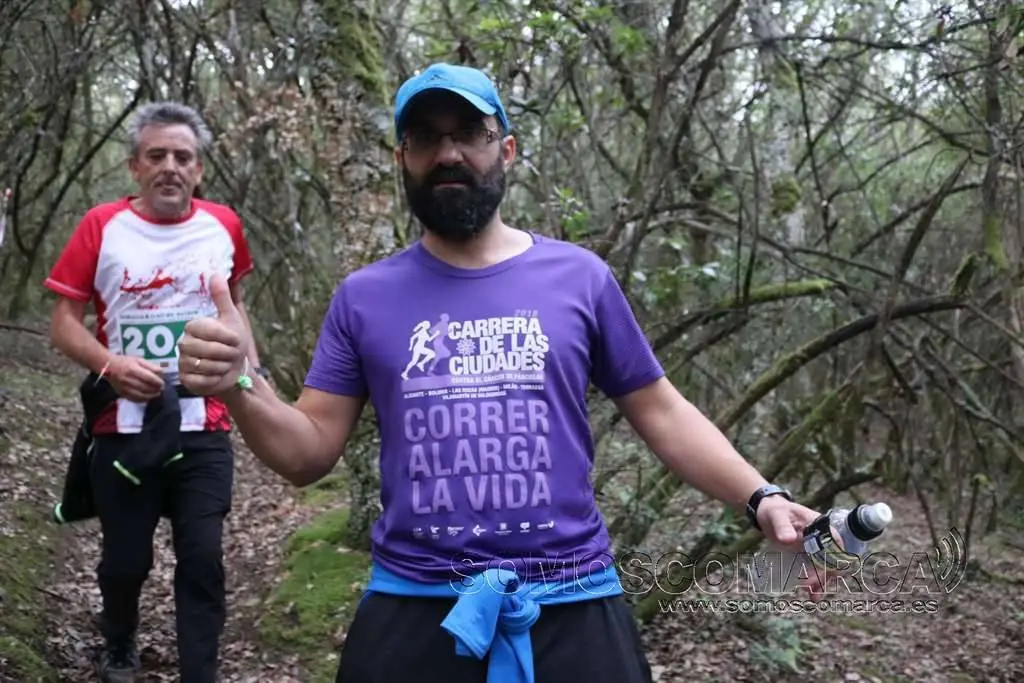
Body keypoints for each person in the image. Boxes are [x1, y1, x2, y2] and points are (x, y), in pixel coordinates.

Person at [176, 63, 822, 683]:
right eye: (425, 138)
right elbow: (307, 453)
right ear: (402, 158)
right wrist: (241, 382)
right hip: (415, 606)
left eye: (469, 134)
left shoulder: (580, 278)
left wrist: (760, 497)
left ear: (506, 150)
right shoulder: (364, 297)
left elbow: (662, 411)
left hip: (572, 601)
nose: (448, 153)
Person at [44, 101, 262, 683]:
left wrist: (254, 381)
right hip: (124, 425)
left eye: (183, 157)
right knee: (125, 561)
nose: (170, 167)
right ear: (134, 166)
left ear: (199, 169)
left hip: (204, 422)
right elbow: (63, 323)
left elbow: (236, 307)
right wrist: (110, 364)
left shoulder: (224, 225)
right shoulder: (102, 225)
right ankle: (119, 641)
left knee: (203, 558)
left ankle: (200, 671)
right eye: (157, 155)